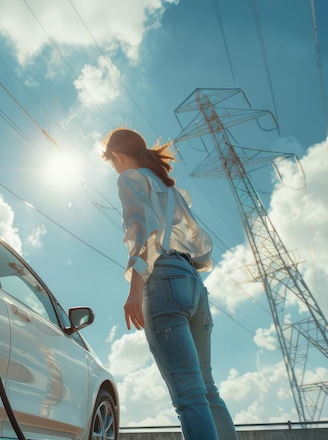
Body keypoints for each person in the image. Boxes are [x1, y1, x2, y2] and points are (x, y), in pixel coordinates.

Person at [102, 128, 238, 440]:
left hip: (162, 278)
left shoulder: (129, 178)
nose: (115, 169)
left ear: (117, 155)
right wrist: (188, 270)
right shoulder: (169, 189)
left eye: (112, 162)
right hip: (193, 281)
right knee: (207, 389)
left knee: (188, 395)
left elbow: (143, 231)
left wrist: (135, 287)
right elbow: (201, 246)